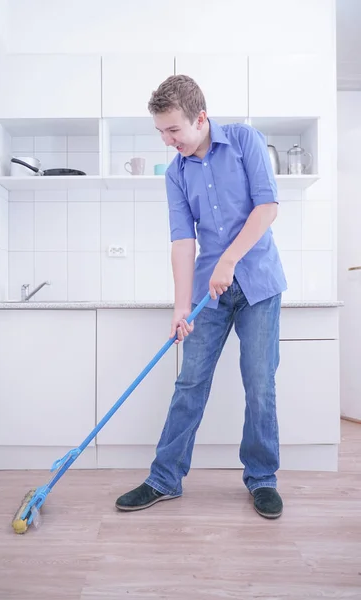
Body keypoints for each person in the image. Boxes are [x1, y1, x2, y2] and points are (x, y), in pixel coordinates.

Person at [115, 75, 287, 519]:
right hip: (208, 296)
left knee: (260, 383)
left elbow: (267, 208)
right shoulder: (176, 173)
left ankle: (262, 479)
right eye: (161, 132)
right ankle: (164, 478)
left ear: (201, 118)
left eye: (173, 130)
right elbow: (182, 243)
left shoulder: (246, 140)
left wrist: (229, 260)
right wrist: (180, 308)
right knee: (189, 382)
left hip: (258, 285)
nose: (168, 140)